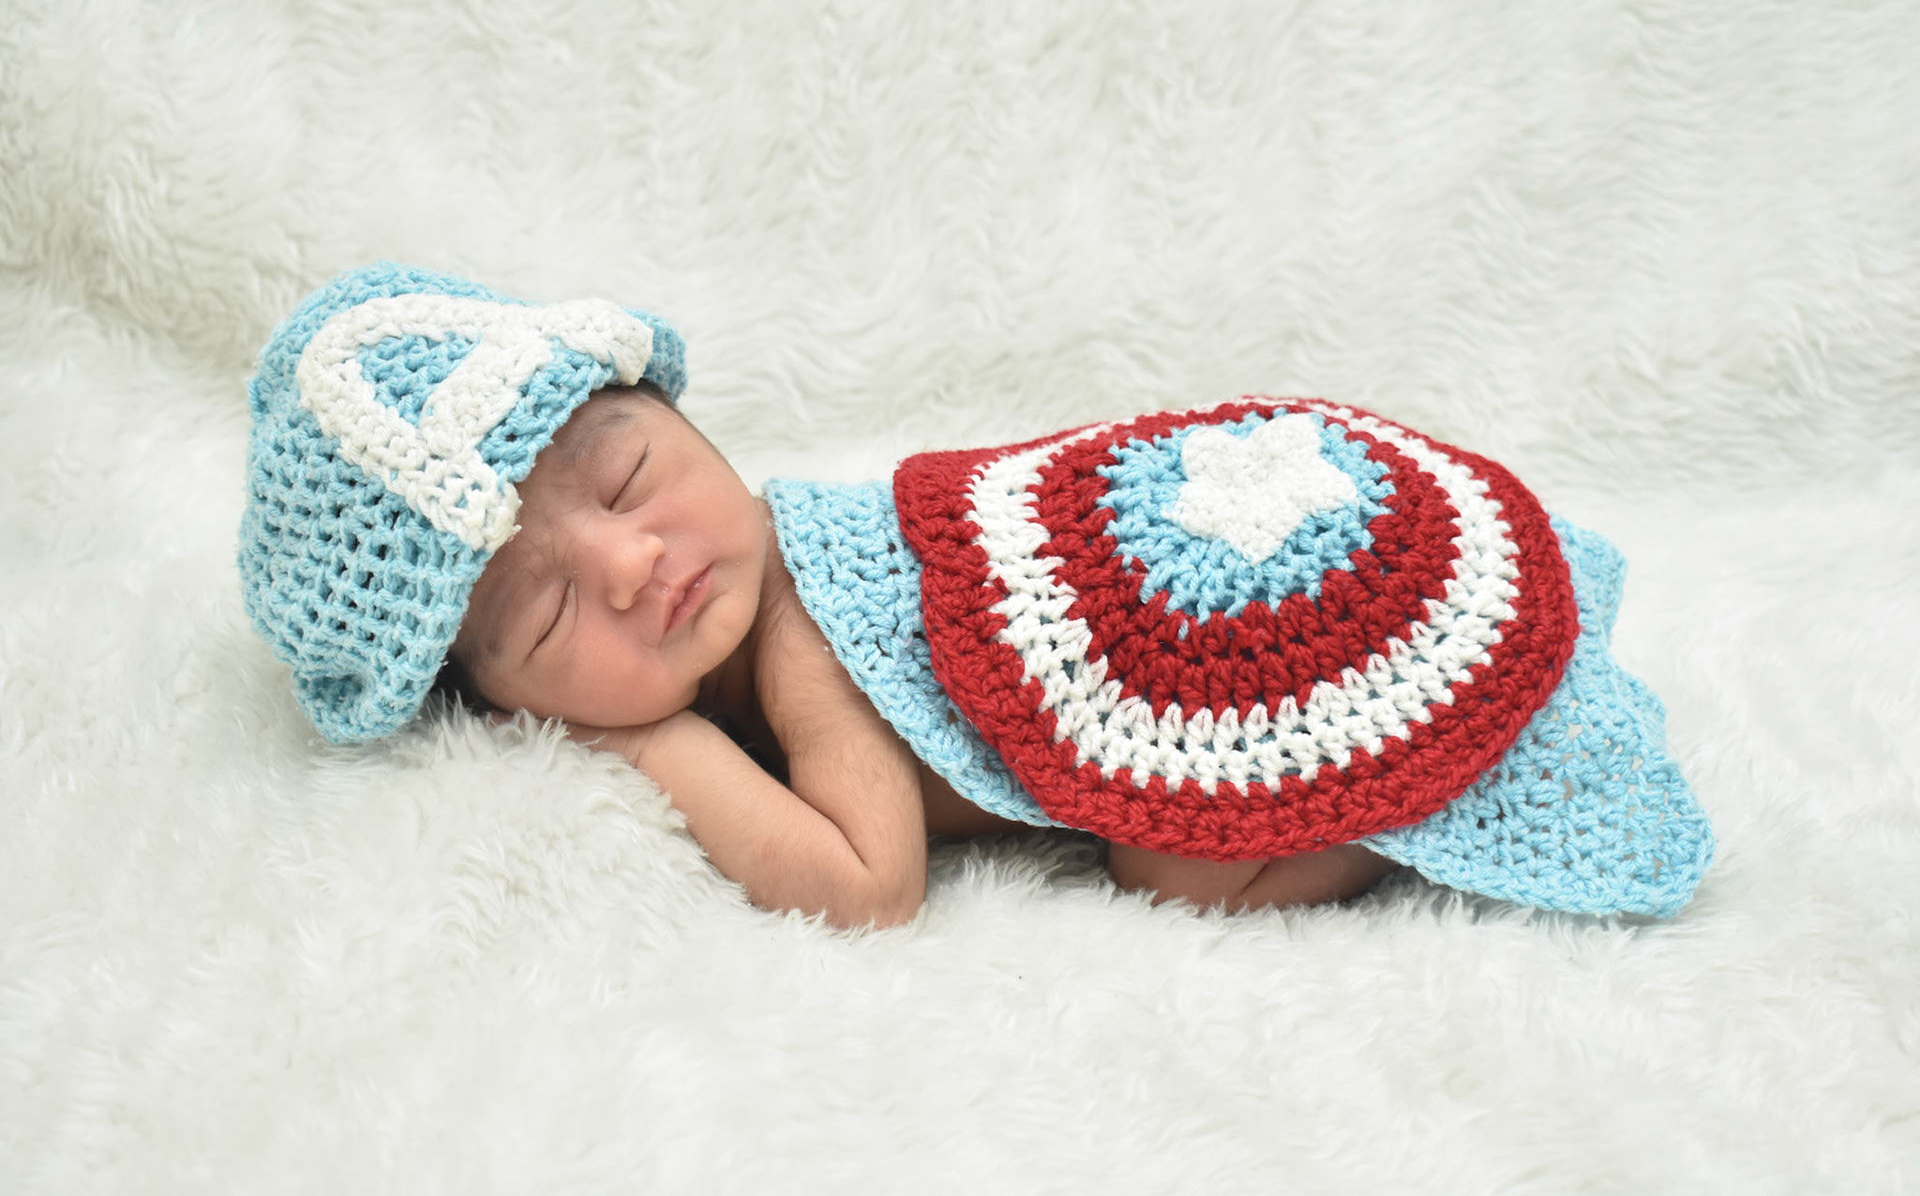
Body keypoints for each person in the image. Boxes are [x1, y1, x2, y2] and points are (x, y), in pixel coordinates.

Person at [240, 264, 1713, 929]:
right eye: (546, 620)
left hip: (1252, 574)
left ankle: (1434, 793)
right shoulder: (731, 627)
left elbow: (868, 885)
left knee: (1180, 868)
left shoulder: (809, 630)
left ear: (680, 413)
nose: (631, 567)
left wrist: (644, 734)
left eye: (626, 475)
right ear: (486, 698)